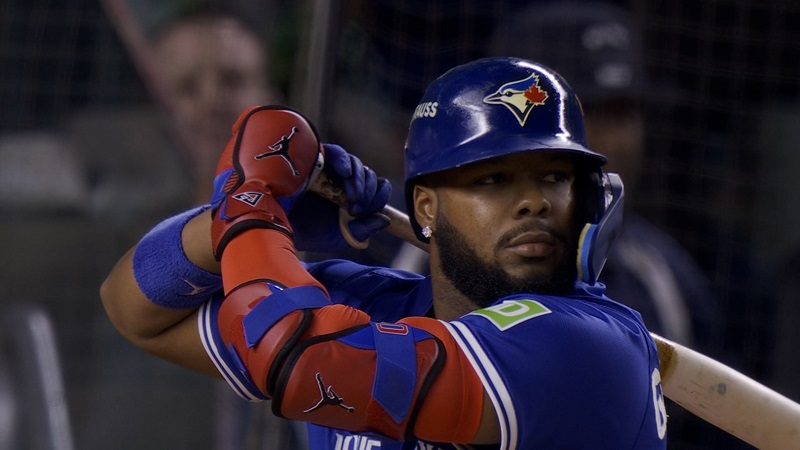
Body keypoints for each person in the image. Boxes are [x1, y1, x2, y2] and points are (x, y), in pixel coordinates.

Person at [100, 57, 667, 448]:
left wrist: (249, 206)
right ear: (425, 208)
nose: (533, 202)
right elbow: (134, 309)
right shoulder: (367, 305)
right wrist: (228, 224)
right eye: (493, 179)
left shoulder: (590, 347)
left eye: (554, 177)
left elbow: (306, 362)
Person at [488, 1, 718, 351]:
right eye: (589, 113)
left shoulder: (666, 277)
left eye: (624, 113)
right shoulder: (422, 249)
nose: (617, 142)